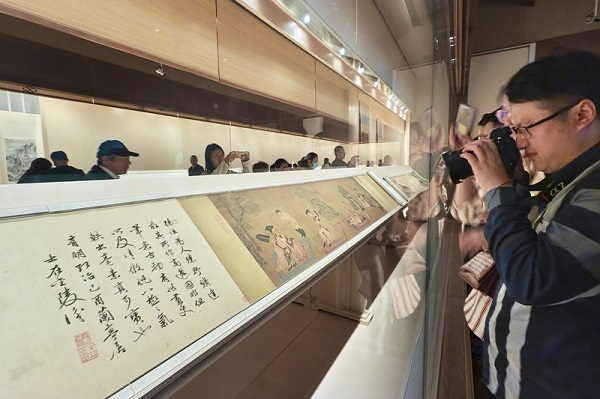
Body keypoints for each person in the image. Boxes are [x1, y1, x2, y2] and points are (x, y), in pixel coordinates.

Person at [460, 51, 600, 398]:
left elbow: (530, 277)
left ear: (582, 114)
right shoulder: (572, 178)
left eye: (525, 128)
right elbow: (534, 237)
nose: (520, 142)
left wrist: (497, 188)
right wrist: (511, 183)